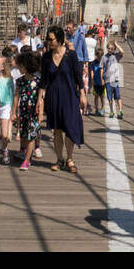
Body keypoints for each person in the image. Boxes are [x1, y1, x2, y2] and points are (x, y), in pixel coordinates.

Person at [39, 24, 84, 172]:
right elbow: (43, 80)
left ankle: (70, 159)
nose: (48, 41)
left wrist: (82, 95)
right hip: (53, 97)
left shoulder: (71, 55)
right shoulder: (46, 57)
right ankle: (59, 159)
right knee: (57, 130)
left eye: (51, 39)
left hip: (70, 96)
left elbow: (78, 77)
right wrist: (40, 99)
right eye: (47, 39)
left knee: (69, 128)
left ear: (59, 39)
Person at [12, 50, 42, 169]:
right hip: (23, 112)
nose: (19, 67)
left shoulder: (38, 81)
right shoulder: (20, 81)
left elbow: (41, 99)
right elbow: (16, 97)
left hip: (34, 113)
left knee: (31, 137)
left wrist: (40, 115)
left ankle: (27, 160)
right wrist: (13, 112)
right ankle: (23, 151)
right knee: (24, 134)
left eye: (21, 66)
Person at [67, 20, 91, 113]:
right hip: (69, 62)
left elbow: (85, 51)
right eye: (67, 28)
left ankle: (79, 104)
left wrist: (86, 65)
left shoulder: (81, 37)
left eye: (69, 27)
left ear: (75, 27)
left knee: (79, 83)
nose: (68, 29)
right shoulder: (67, 37)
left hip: (79, 62)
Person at [0, 54, 15, 165]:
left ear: (2, 67)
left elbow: (12, 95)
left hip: (6, 105)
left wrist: (13, 110)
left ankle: (5, 149)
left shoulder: (8, 79)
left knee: (4, 134)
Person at [102, 41, 124, 119]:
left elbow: (122, 51)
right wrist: (102, 78)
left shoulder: (116, 56)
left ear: (114, 49)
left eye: (112, 48)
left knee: (118, 96)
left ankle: (120, 111)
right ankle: (111, 111)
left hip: (115, 80)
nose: (110, 50)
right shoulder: (104, 57)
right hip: (108, 80)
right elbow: (103, 68)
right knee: (109, 97)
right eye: (109, 48)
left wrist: (117, 45)